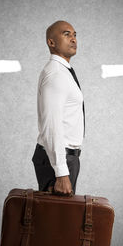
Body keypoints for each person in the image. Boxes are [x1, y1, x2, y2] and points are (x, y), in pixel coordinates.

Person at [32, 20, 85, 195]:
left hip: (62, 158)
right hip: (58, 159)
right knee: (55, 221)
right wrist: (61, 173)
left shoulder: (62, 71)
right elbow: (51, 126)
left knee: (59, 220)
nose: (73, 39)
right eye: (66, 34)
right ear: (51, 42)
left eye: (75, 34)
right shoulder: (56, 74)